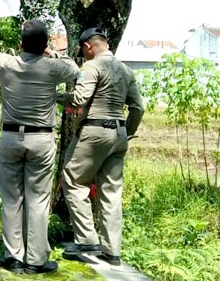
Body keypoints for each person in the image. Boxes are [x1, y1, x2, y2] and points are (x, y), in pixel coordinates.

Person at [0, 16, 80, 275]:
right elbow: (74, 68)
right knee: (38, 200)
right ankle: (35, 260)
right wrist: (51, 51)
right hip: (41, 140)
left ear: (21, 44)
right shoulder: (51, 67)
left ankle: (13, 256)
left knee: (12, 199)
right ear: (44, 44)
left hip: (11, 138)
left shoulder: (7, 63)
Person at [61, 27, 145, 266]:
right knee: (111, 193)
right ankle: (112, 251)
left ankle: (87, 240)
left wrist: (55, 97)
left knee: (73, 179)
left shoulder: (92, 66)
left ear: (88, 47)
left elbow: (78, 99)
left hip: (94, 131)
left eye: (83, 50)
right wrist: (125, 133)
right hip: (118, 133)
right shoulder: (126, 70)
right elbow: (138, 108)